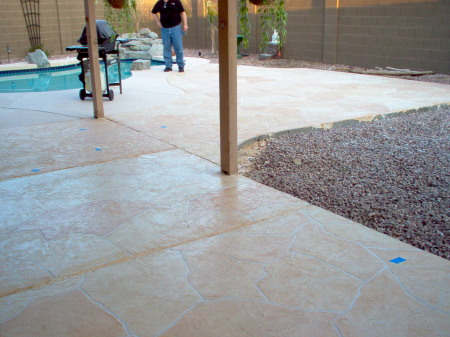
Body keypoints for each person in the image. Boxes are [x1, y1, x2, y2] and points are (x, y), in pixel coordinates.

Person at [151, 0, 188, 72]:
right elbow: (153, 12)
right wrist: (158, 22)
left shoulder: (176, 1)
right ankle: (168, 66)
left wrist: (185, 24)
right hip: (164, 29)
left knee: (178, 47)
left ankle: (180, 65)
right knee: (167, 48)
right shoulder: (160, 2)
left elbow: (183, 12)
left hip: (175, 28)